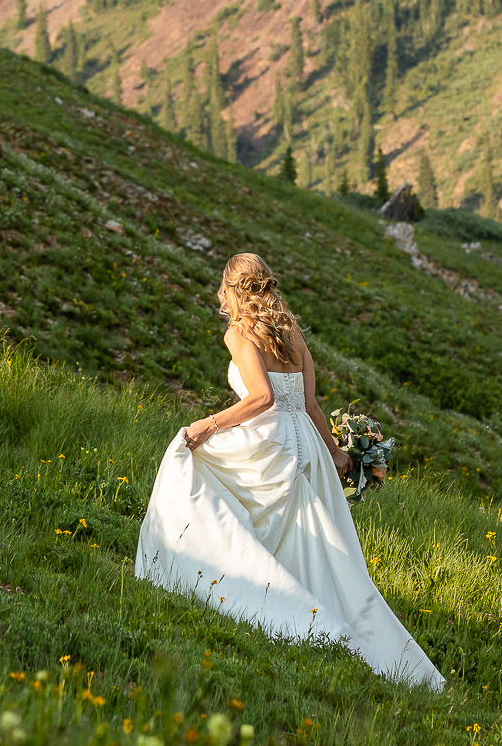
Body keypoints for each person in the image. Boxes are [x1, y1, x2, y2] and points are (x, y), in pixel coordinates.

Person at [134, 253, 445, 688]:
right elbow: (311, 404)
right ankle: (365, 637)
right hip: (305, 443)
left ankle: (253, 591)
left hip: (270, 441)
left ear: (234, 289)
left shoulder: (239, 333)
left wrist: (208, 424)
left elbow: (262, 398)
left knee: (190, 461)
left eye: (223, 287)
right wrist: (336, 453)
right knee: (305, 538)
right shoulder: (291, 332)